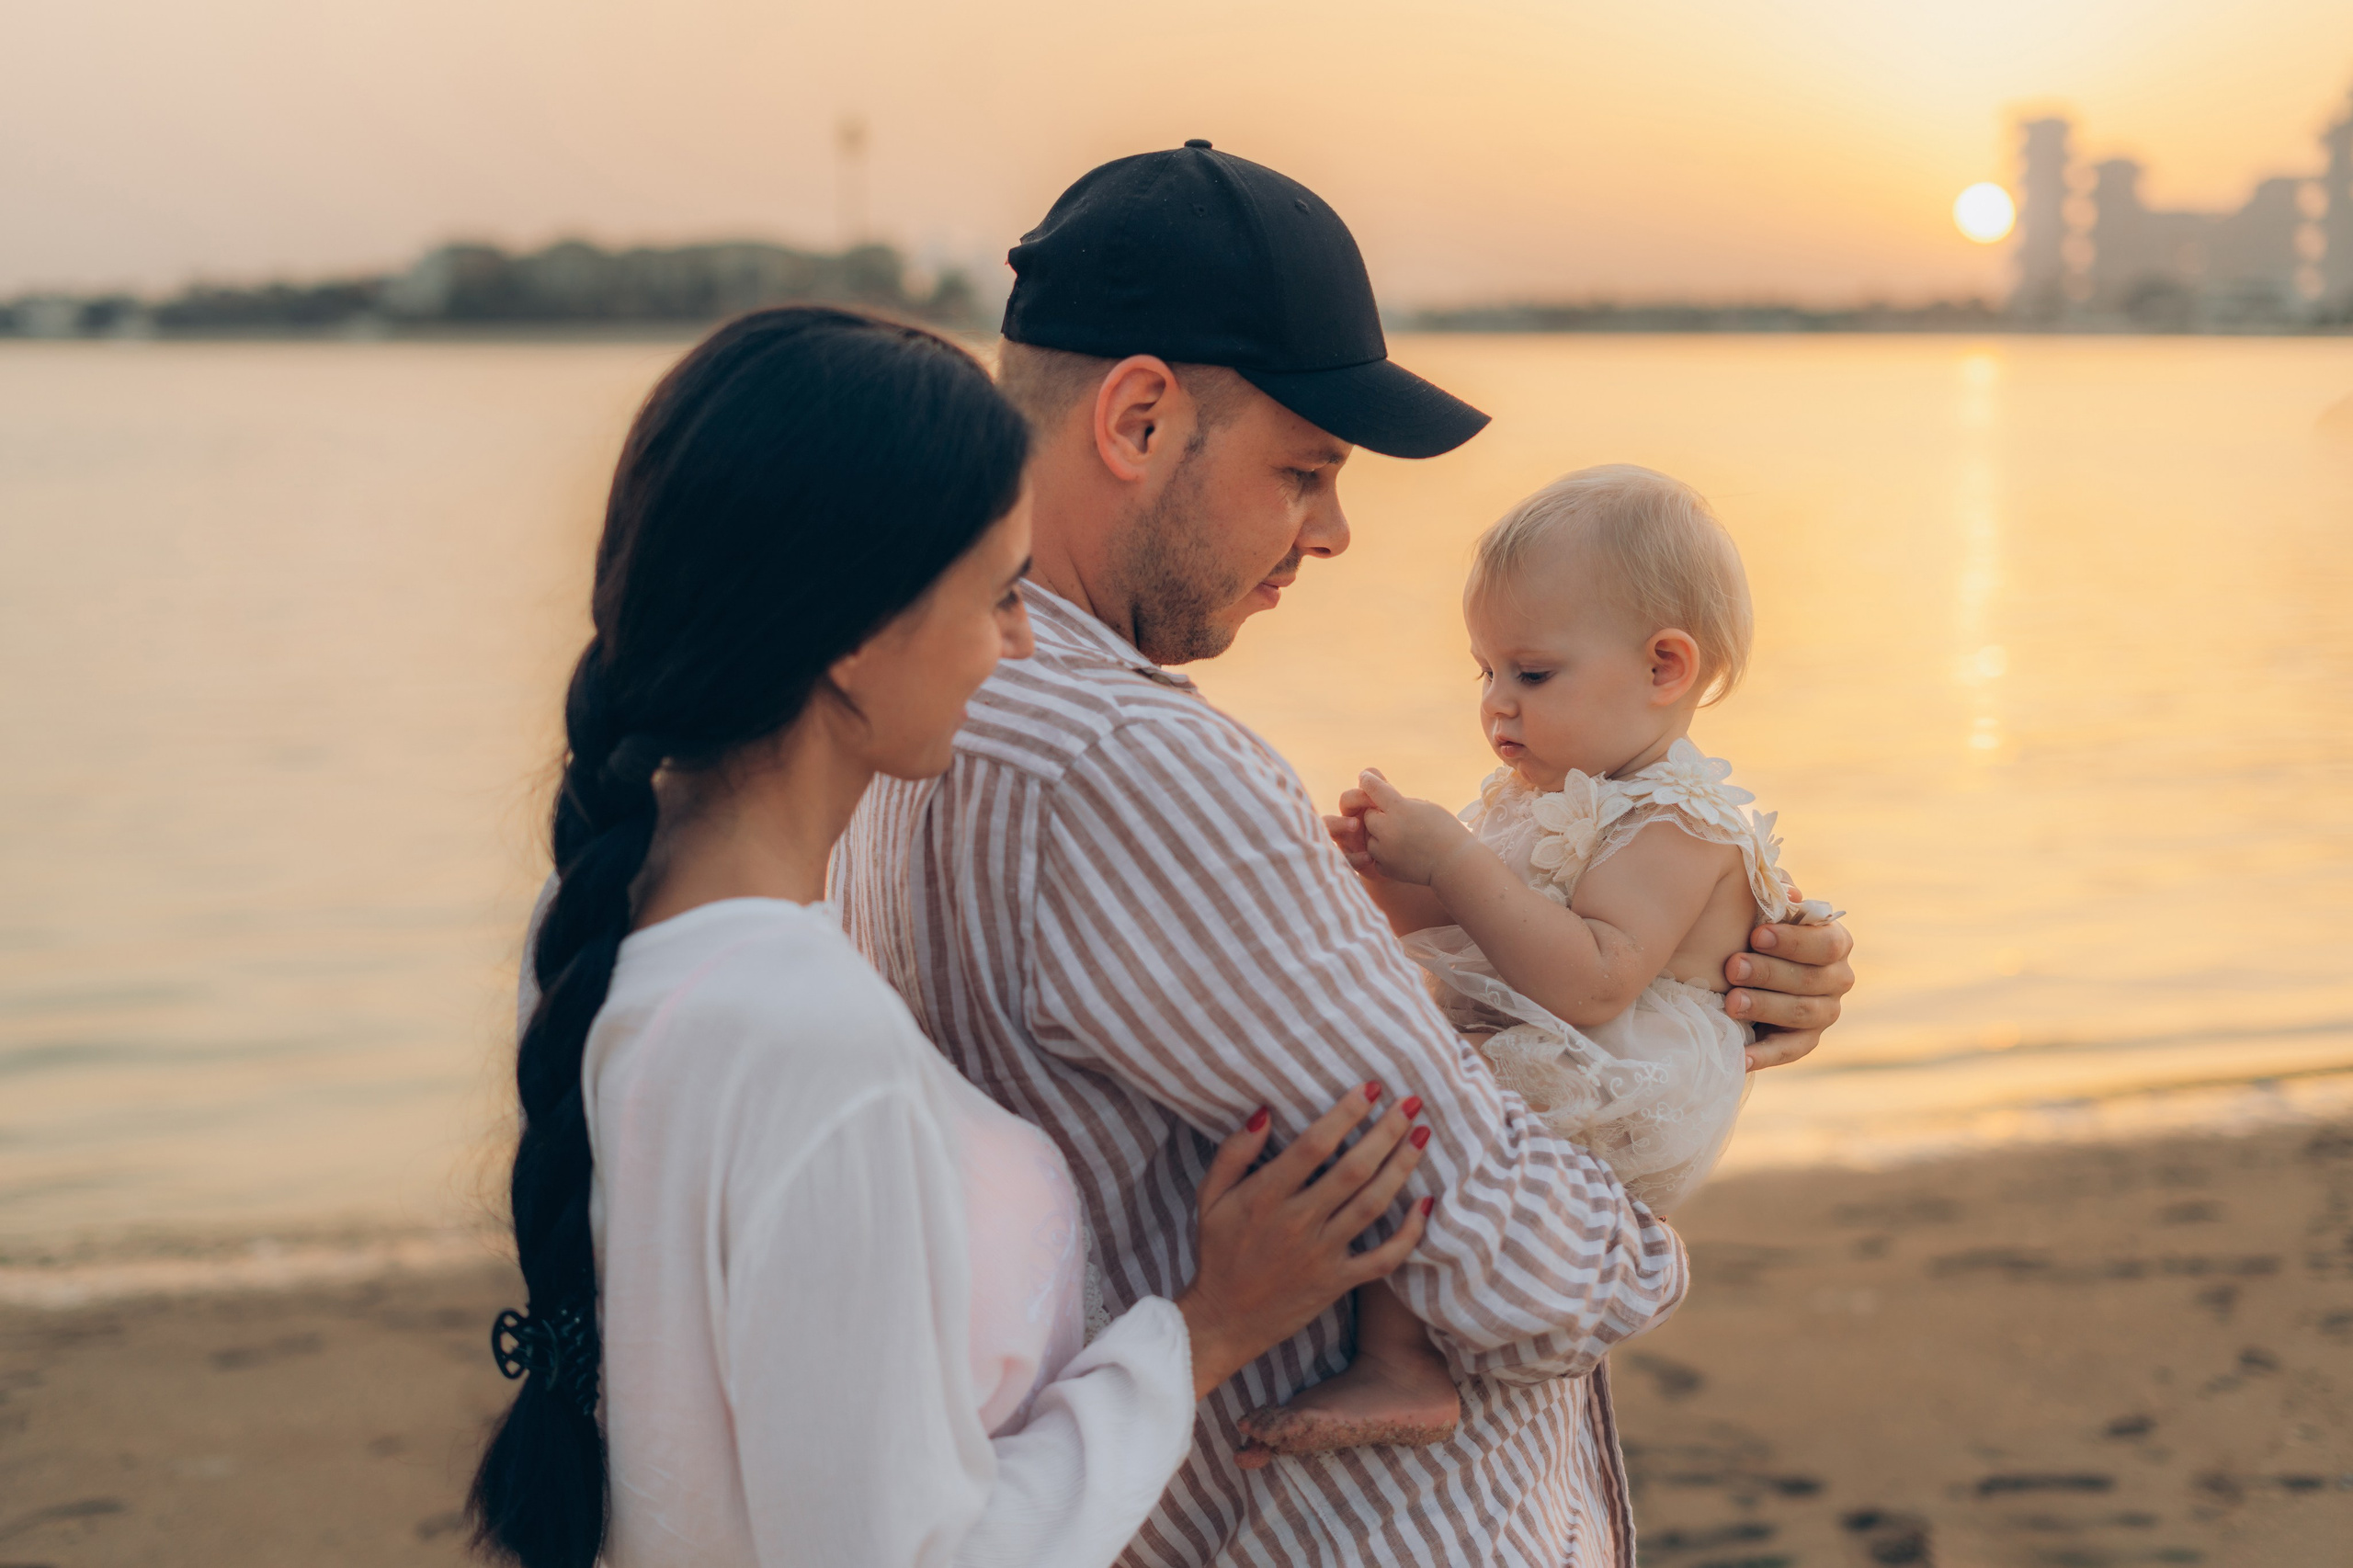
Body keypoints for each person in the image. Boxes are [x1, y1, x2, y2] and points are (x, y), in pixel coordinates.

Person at [835, 144, 1856, 1567]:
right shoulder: (1125, 754)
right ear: (1136, 419)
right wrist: (1645, 1227)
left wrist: (1718, 980)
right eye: (1303, 471)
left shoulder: (898, 701)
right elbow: (1483, 1220)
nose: (1334, 530)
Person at [468, 305, 1440, 1568]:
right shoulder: (806, 1033)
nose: (1025, 640)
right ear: (858, 636)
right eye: (999, 592)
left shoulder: (612, 925)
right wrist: (1202, 1329)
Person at [1252, 462, 1843, 1457]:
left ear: (1664, 668)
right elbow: (1469, 919)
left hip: (1626, 1078)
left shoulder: (1680, 821)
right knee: (1406, 1087)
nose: (1496, 706)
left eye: (1530, 673)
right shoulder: (1549, 793)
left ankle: (1403, 1359)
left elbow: (1593, 977)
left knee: (1428, 1100)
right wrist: (1370, 867)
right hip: (1575, 1034)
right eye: (1482, 672)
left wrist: (1451, 855)